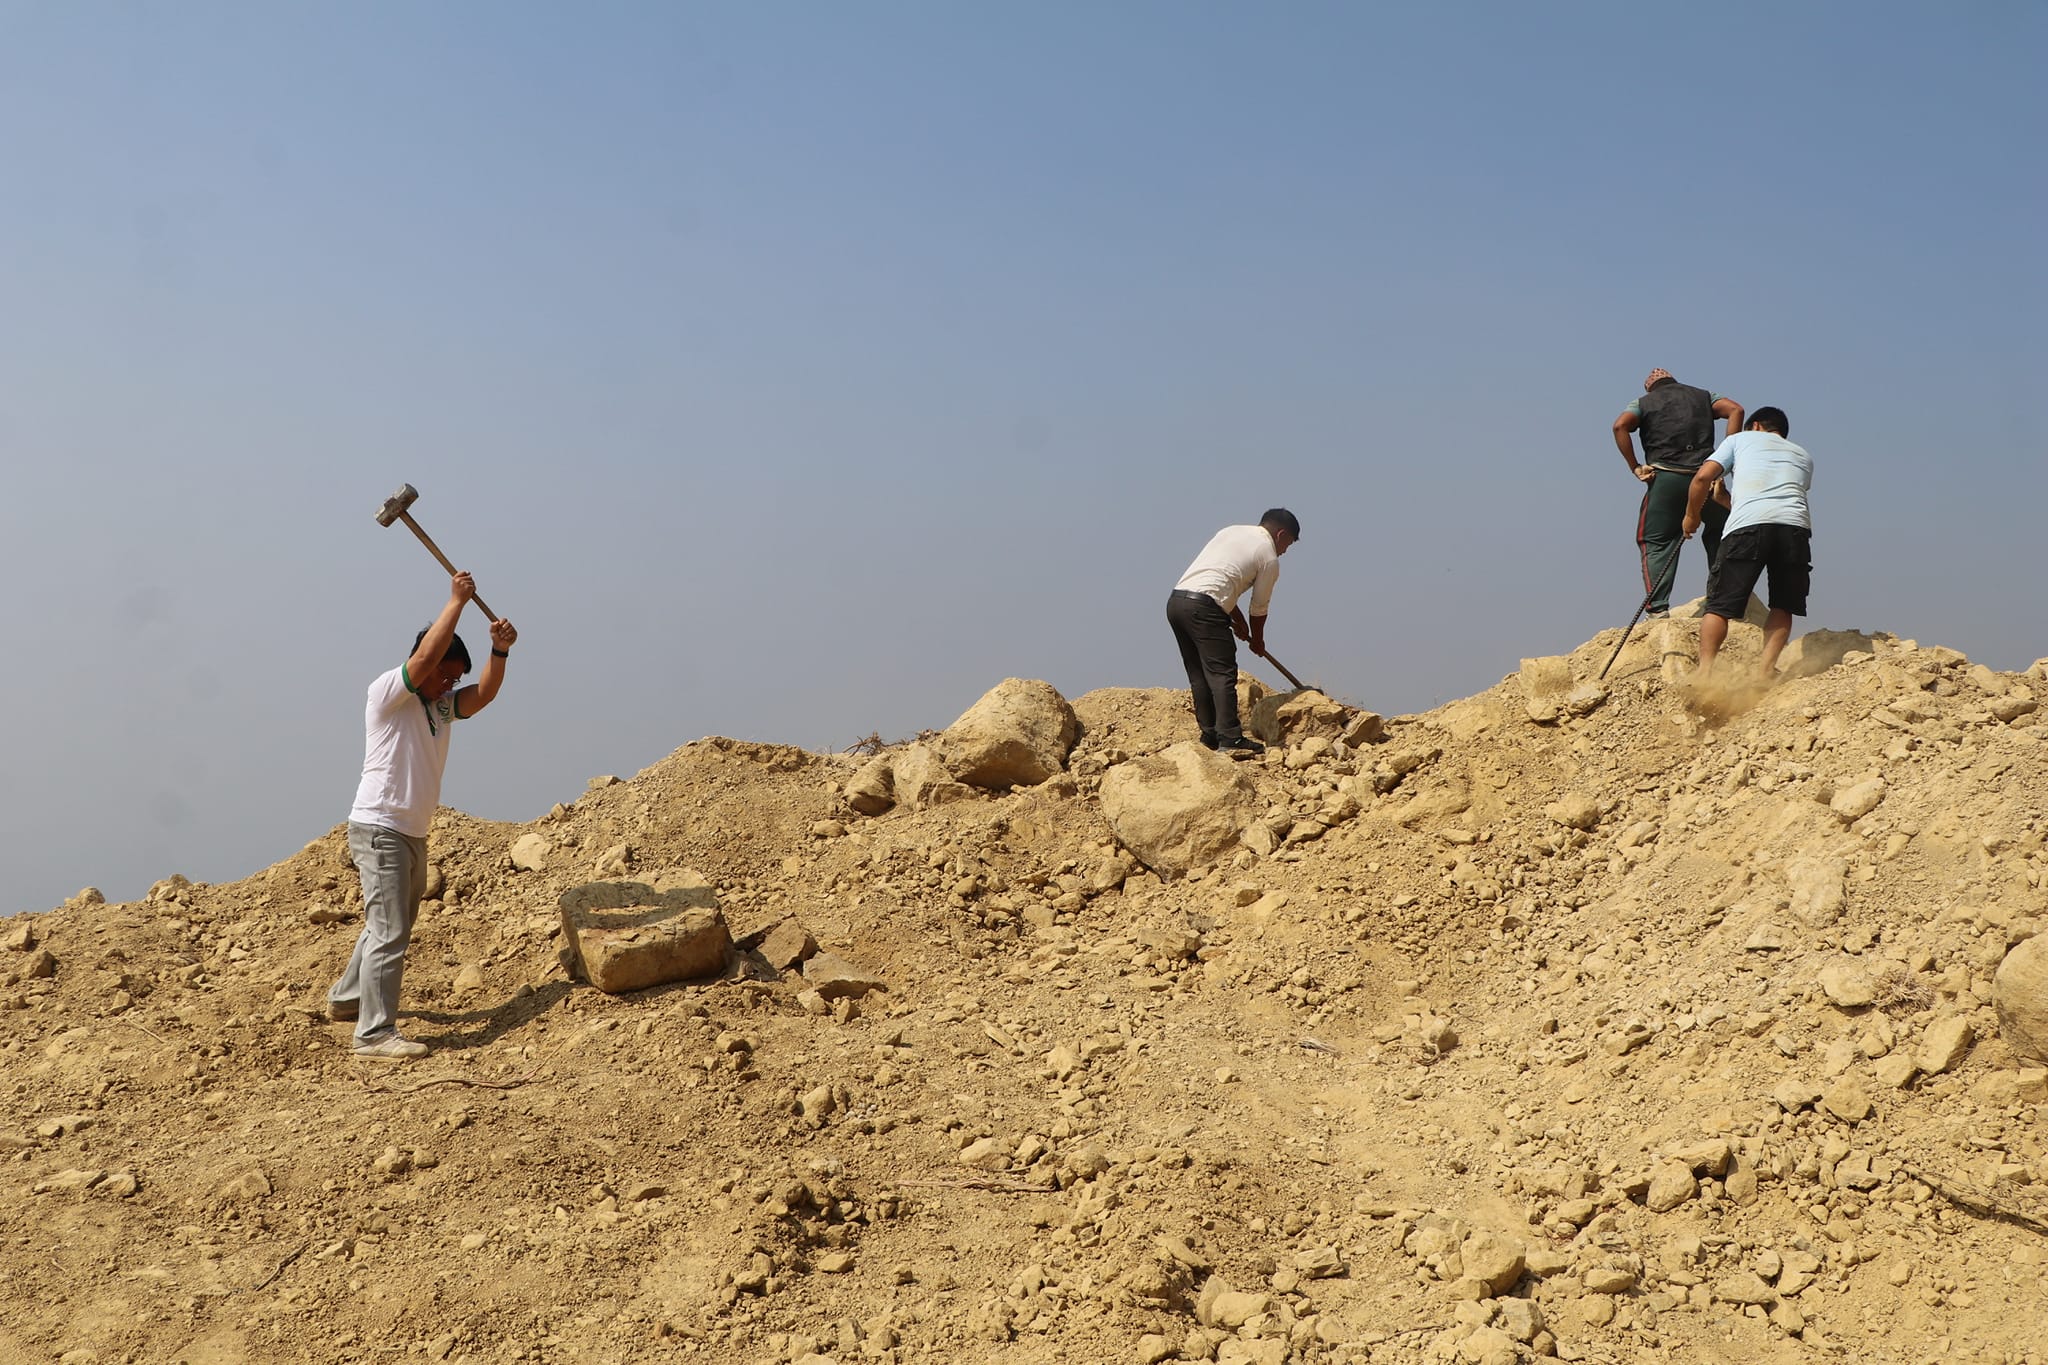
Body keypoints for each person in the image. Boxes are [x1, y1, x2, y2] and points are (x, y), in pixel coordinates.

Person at [329, 571, 517, 1058]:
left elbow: (484, 694)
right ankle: (373, 1034)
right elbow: (424, 660)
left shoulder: (440, 708)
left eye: (454, 679)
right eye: (444, 675)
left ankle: (347, 998)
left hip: (412, 832)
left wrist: (499, 651)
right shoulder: (390, 694)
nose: (448, 684)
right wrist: (456, 602)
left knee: (388, 924)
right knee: (389, 929)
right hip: (380, 827)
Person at [1682, 406, 1812, 680]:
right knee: (1783, 605)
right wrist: (1724, 501)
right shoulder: (1802, 455)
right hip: (1795, 529)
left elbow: (1702, 478)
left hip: (1746, 530)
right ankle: (1765, 673)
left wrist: (1692, 517)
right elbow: (1773, 501)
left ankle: (1704, 673)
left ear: (1755, 426)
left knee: (1719, 605)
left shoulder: (1739, 439)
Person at [1612, 368, 1746, 617]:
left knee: (1656, 540)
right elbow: (1736, 410)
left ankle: (1658, 610)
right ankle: (1722, 601)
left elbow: (1620, 425)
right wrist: (1726, 458)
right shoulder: (1704, 396)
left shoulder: (1643, 403)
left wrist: (1635, 467)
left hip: (1667, 478)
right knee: (1721, 533)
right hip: (1706, 477)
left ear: (1650, 388)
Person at [1167, 509, 1300, 757]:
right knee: (1222, 674)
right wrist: (1257, 640)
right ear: (1281, 534)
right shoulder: (1268, 556)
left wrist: (1238, 620)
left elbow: (1218, 581)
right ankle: (1230, 738)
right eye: (1288, 544)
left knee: (1199, 674)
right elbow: (1259, 607)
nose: (1284, 551)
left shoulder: (1231, 531)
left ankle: (1210, 735)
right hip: (1206, 608)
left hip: (1178, 602)